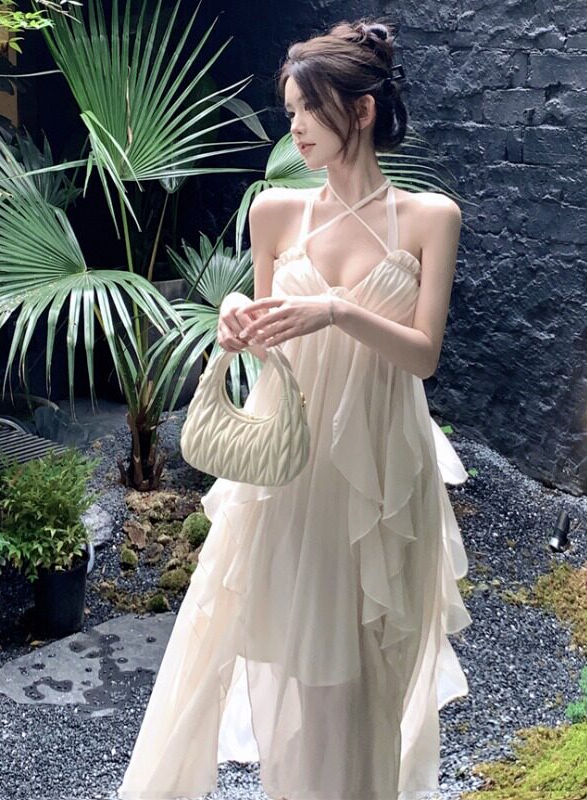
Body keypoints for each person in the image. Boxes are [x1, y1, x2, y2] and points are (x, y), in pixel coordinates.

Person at [118, 17, 471, 800]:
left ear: (362, 110)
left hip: (381, 463)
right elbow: (266, 345)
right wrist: (236, 320)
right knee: (278, 647)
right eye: (290, 113)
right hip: (294, 460)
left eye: (310, 109)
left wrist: (338, 311)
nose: (297, 127)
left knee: (368, 667)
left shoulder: (430, 218)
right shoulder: (275, 211)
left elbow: (423, 355)